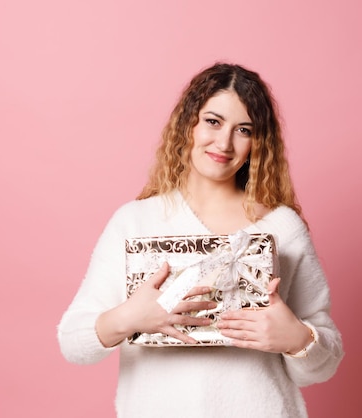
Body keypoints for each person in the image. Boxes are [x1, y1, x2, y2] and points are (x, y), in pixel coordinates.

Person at [57, 63, 344, 418]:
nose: (224, 143)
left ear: (259, 142)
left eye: (244, 129)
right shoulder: (135, 221)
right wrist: (129, 317)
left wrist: (298, 339)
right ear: (187, 124)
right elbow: (73, 342)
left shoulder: (282, 227)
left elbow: (324, 362)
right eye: (213, 121)